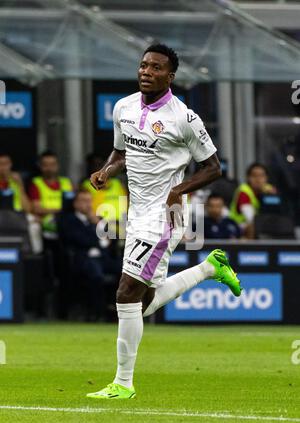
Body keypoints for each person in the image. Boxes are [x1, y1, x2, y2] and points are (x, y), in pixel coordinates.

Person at [87, 43, 242, 400]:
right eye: (143, 65)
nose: (146, 71)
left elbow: (214, 167)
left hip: (166, 217)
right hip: (137, 213)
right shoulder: (122, 107)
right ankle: (209, 269)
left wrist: (180, 190)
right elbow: (123, 150)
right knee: (139, 304)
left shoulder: (184, 118)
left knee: (126, 293)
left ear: (170, 77)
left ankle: (123, 384)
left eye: (156, 68)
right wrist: (108, 169)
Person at [58, 190, 122, 321]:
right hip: (82, 259)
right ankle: (98, 312)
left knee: (125, 270)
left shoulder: (98, 219)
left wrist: (99, 224)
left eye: (89, 201)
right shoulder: (68, 219)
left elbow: (113, 239)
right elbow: (78, 239)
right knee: (96, 275)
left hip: (103, 258)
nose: (87, 204)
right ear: (75, 204)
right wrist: (98, 235)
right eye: (83, 201)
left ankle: (117, 308)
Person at [28, 151, 73, 238]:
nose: (49, 168)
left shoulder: (66, 182)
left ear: (57, 166)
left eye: (52, 165)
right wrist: (59, 211)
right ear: (40, 166)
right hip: (46, 222)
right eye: (45, 165)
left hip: (66, 220)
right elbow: (36, 209)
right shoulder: (36, 183)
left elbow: (72, 204)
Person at [229, 163, 276, 238]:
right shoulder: (244, 191)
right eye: (254, 176)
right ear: (248, 178)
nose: (258, 179)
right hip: (238, 226)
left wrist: (273, 195)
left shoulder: (269, 190)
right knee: (252, 226)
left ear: (266, 178)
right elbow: (250, 218)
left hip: (261, 224)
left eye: (261, 176)